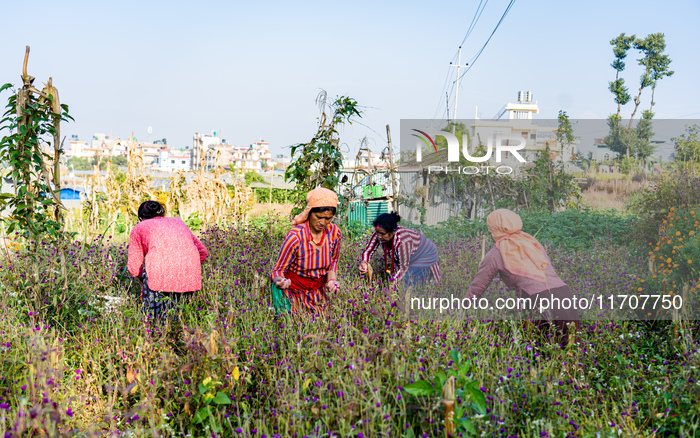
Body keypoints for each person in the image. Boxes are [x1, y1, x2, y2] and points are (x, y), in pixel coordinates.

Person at [465, 209, 580, 348]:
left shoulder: (496, 253)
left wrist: (460, 313)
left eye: (490, 228)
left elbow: (476, 289)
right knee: (571, 351)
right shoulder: (532, 243)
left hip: (538, 300)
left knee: (541, 355)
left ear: (495, 229)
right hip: (565, 296)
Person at [127, 200, 208, 323]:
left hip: (157, 277)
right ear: (162, 214)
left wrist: (142, 280)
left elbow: (134, 266)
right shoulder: (178, 222)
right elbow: (203, 252)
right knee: (182, 320)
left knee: (156, 322)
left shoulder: (140, 227)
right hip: (187, 278)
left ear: (140, 217)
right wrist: (188, 268)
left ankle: (159, 339)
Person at [270, 187, 342, 315]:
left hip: (319, 294)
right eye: (318, 217)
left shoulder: (334, 233)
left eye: (328, 218)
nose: (322, 222)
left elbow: (333, 262)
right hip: (293, 293)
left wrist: (331, 280)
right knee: (295, 327)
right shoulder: (296, 237)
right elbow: (278, 269)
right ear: (309, 212)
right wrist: (280, 281)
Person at [359, 212, 440, 287]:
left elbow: (403, 267)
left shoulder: (403, 241)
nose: (379, 236)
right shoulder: (379, 233)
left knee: (408, 281)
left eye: (383, 234)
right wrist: (364, 262)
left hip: (425, 255)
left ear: (393, 231)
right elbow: (368, 251)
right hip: (409, 256)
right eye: (377, 232)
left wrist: (393, 284)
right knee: (400, 281)